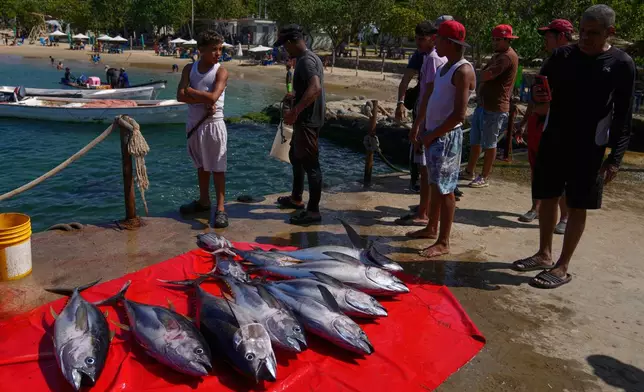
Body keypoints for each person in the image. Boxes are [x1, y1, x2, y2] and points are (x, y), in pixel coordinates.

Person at [512, 5, 636, 289]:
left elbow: (623, 115)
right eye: (582, 31)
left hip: (590, 147)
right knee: (547, 195)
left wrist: (615, 158)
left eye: (593, 33)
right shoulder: (561, 56)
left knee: (578, 203)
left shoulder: (620, 64)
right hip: (554, 138)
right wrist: (538, 98)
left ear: (610, 32)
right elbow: (541, 89)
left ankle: (562, 265)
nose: (585, 38)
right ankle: (544, 253)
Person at [408, 20, 476, 258]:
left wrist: (431, 134)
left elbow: (459, 114)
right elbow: (430, 97)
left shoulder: (463, 70)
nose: (435, 42)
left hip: (446, 137)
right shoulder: (445, 67)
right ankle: (431, 227)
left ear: (449, 42)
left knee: (447, 189)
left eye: (440, 39)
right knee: (435, 184)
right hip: (434, 135)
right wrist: (420, 126)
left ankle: (444, 241)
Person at [514, 19, 574, 231]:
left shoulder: (576, 63)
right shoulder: (549, 62)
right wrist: (523, 122)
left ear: (561, 37)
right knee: (537, 169)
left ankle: (565, 216)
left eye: (549, 36)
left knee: (561, 173)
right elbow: (536, 96)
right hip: (537, 124)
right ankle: (536, 207)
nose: (545, 40)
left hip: (559, 126)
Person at [396, 18, 448, 228]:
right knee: (425, 169)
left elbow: (430, 95)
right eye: (416, 39)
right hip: (427, 118)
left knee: (428, 170)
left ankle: (425, 214)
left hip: (429, 120)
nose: (418, 43)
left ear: (433, 39)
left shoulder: (434, 59)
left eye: (422, 39)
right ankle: (423, 209)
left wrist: (418, 125)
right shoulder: (428, 57)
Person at [273, 24, 326, 225]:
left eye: (284, 46)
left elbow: (315, 88)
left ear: (290, 42)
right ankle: (296, 198)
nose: (285, 50)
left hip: (308, 120)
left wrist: (295, 111)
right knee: (296, 156)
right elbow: (309, 88)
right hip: (307, 118)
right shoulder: (308, 58)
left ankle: (313, 211)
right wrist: (294, 96)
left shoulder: (306, 61)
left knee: (311, 164)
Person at [177, 31, 230, 228]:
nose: (218, 53)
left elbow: (213, 97)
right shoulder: (189, 69)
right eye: (214, 49)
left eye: (220, 49)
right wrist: (202, 97)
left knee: (217, 167)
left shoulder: (221, 71)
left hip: (213, 124)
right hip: (194, 124)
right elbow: (179, 96)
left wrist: (191, 91)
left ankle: (221, 208)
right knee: (201, 165)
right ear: (201, 51)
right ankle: (204, 200)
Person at [462, 24, 519, 188]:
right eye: (493, 39)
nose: (494, 42)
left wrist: (476, 74)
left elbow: (486, 74)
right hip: (484, 105)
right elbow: (483, 74)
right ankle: (469, 171)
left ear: (507, 40)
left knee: (489, 143)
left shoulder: (506, 57)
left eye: (498, 40)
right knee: (475, 140)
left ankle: (484, 176)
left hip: (495, 107)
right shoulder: (499, 55)